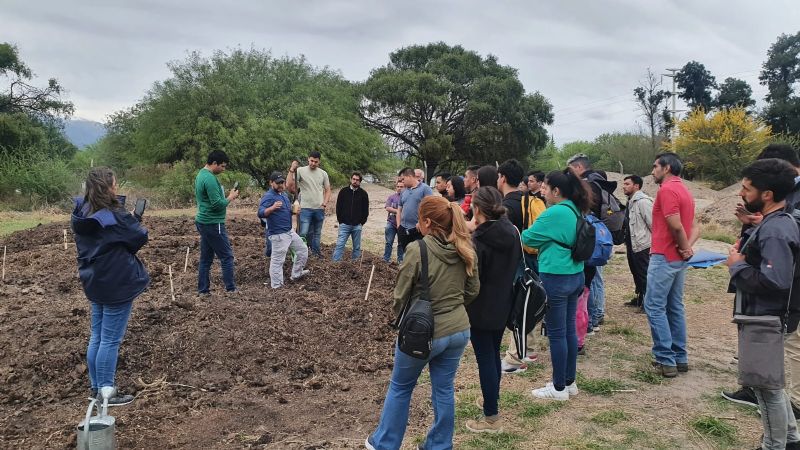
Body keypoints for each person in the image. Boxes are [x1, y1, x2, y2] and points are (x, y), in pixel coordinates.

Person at [366, 196, 480, 450]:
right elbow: (473, 291)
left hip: (423, 332)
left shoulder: (418, 250)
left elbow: (400, 295)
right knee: (444, 389)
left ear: (427, 222)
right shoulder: (464, 248)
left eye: (419, 219)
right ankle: (439, 445)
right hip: (459, 330)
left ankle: (384, 443)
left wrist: (401, 322)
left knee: (400, 387)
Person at [726, 159, 800, 450]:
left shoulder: (776, 229)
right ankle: (792, 439)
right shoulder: (777, 221)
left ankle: (773, 445)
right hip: (765, 317)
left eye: (746, 189)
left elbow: (775, 281)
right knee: (773, 384)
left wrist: (737, 267)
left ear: (766, 194)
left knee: (765, 388)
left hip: (765, 320)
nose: (741, 194)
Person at [72, 167, 149, 406]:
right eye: (115, 184)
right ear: (108, 188)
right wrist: (132, 217)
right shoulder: (115, 215)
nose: (117, 188)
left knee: (97, 336)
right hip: (116, 281)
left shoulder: (83, 211)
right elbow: (138, 237)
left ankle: (96, 389)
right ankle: (107, 391)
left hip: (94, 279)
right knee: (110, 340)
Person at [522, 168, 591, 400]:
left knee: (557, 334)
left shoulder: (554, 213)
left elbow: (528, 238)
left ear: (556, 191)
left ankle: (558, 387)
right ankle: (569, 382)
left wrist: (545, 238)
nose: (542, 190)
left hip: (556, 276)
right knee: (569, 330)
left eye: (545, 187)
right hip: (576, 275)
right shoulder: (574, 209)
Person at [464, 187, 521, 432]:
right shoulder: (511, 231)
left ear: (477, 209)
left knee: (486, 359)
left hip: (481, 308)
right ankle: (490, 399)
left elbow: (474, 280)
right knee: (494, 354)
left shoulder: (480, 240)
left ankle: (491, 418)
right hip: (504, 303)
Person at [645, 152, 699, 378]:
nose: (653, 171)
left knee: (654, 306)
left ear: (666, 168)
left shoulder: (667, 190)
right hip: (677, 259)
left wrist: (684, 247)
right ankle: (680, 357)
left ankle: (665, 358)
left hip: (664, 256)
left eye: (656, 166)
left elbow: (676, 225)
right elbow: (695, 226)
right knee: (674, 307)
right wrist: (687, 249)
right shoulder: (685, 190)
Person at [567, 155, 617, 333]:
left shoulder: (587, 184)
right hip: (600, 235)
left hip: (590, 236)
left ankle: (592, 319)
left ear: (579, 167)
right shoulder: (599, 182)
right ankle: (595, 316)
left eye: (571, 170)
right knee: (595, 278)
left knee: (590, 280)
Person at [195, 150, 239, 295]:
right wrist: (230, 197)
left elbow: (212, 201)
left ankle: (203, 290)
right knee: (227, 256)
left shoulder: (201, 174)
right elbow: (217, 205)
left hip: (203, 221)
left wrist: (225, 197)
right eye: (222, 166)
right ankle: (231, 289)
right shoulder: (209, 179)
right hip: (213, 223)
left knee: (206, 258)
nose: (223, 169)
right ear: (214, 163)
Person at [258, 172, 309, 288]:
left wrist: (293, 211)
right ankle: (277, 286)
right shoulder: (268, 197)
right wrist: (271, 208)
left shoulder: (284, 195)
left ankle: (296, 274)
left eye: (282, 182)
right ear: (271, 183)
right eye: (278, 183)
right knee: (277, 261)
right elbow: (260, 213)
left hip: (289, 231)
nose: (281, 185)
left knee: (302, 250)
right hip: (278, 234)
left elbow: (286, 210)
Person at [287, 151, 331, 258]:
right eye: (311, 161)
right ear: (308, 159)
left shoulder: (323, 173)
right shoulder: (301, 171)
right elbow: (289, 185)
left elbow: (328, 189)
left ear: (319, 161)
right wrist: (292, 170)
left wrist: (324, 204)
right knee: (303, 233)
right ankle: (301, 253)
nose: (313, 163)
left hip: (319, 209)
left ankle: (315, 253)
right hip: (305, 208)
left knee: (317, 234)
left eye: (315, 162)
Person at [622, 175, 653, 309]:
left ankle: (648, 302)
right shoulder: (630, 201)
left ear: (636, 186)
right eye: (624, 184)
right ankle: (640, 297)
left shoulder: (643, 202)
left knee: (644, 273)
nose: (624, 186)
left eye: (627, 184)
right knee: (636, 272)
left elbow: (654, 225)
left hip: (643, 245)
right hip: (632, 244)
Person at [396, 167, 433, 263]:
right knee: (406, 255)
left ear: (409, 176)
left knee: (418, 256)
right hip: (403, 230)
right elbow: (399, 210)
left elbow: (431, 208)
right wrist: (399, 225)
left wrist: (421, 221)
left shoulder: (425, 189)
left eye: (403, 179)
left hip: (418, 231)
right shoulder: (404, 191)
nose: (402, 182)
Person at [333, 172, 370, 261]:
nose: (355, 181)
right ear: (350, 179)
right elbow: (338, 207)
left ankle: (355, 264)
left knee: (357, 247)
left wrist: (361, 222)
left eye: (357, 180)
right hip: (344, 224)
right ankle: (335, 264)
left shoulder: (363, 194)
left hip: (357, 225)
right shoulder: (343, 191)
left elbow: (366, 210)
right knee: (340, 245)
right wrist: (340, 221)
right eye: (353, 179)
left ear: (360, 182)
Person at [384, 178, 404, 263]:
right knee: (389, 242)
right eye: (398, 186)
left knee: (401, 244)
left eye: (401, 186)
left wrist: (395, 211)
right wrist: (397, 211)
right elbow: (387, 207)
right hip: (391, 223)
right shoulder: (391, 197)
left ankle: (400, 260)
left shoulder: (406, 197)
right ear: (395, 187)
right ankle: (386, 259)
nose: (399, 188)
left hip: (402, 224)